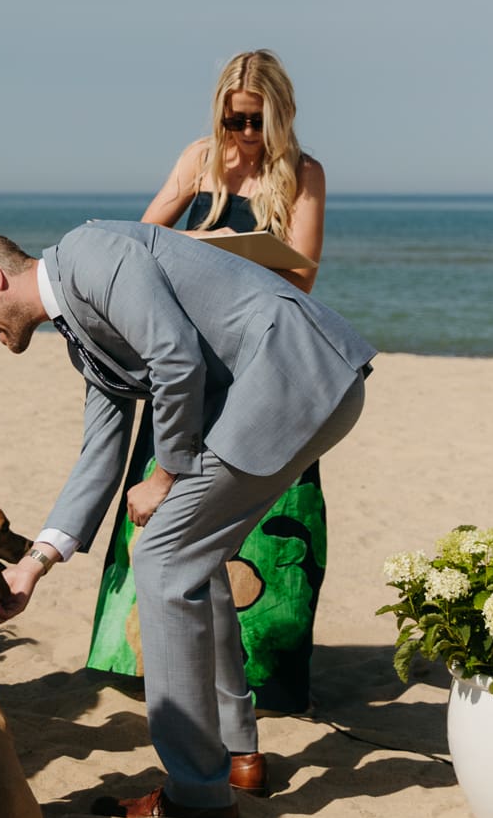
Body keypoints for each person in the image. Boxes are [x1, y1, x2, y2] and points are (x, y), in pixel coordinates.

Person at [0, 224, 373, 818]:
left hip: (295, 376)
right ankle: (238, 755)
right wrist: (33, 566)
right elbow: (100, 454)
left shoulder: (90, 255)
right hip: (295, 386)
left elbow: (175, 357)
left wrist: (166, 473)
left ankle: (198, 790)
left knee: (163, 558)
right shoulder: (79, 336)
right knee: (193, 555)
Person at [87, 50, 329, 722]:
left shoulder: (302, 174)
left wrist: (222, 250)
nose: (242, 135)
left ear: (277, 117)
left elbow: (302, 275)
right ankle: (150, 660)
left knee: (268, 524)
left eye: (253, 122)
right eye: (231, 121)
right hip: (194, 358)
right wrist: (208, 237)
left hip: (265, 362)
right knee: (167, 507)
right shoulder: (200, 160)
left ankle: (269, 675)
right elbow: (137, 240)